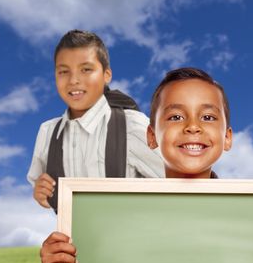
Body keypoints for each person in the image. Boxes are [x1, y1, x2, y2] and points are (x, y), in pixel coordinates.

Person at [40, 67, 253, 263]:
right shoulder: (116, 219)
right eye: (176, 116)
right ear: (152, 136)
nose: (193, 126)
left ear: (227, 137)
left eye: (207, 116)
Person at [27, 29, 164, 211]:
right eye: (63, 72)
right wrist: (40, 192)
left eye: (86, 69)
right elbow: (41, 187)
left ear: (106, 75)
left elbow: (176, 182)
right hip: (73, 238)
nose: (74, 80)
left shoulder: (132, 125)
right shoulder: (48, 132)